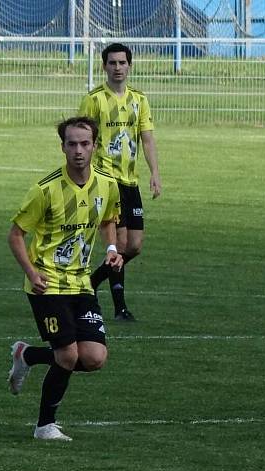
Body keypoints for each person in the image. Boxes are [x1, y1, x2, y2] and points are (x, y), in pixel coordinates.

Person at [6, 116, 123, 441]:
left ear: (95, 146)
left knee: (94, 357)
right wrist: (31, 271)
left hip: (81, 284)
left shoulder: (106, 185)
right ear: (63, 147)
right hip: (47, 285)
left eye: (85, 143)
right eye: (72, 144)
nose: (78, 150)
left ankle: (27, 355)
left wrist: (111, 247)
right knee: (68, 355)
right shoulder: (45, 190)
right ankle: (45, 425)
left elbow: (108, 219)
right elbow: (15, 235)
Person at [79, 42, 161, 321]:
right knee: (119, 242)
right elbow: (83, 138)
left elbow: (147, 139)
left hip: (130, 181)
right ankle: (120, 308)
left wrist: (155, 173)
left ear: (129, 66)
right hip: (105, 180)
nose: (117, 68)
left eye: (122, 63)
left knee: (133, 246)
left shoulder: (139, 100)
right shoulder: (94, 100)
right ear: (104, 67)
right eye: (112, 63)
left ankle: (89, 284)